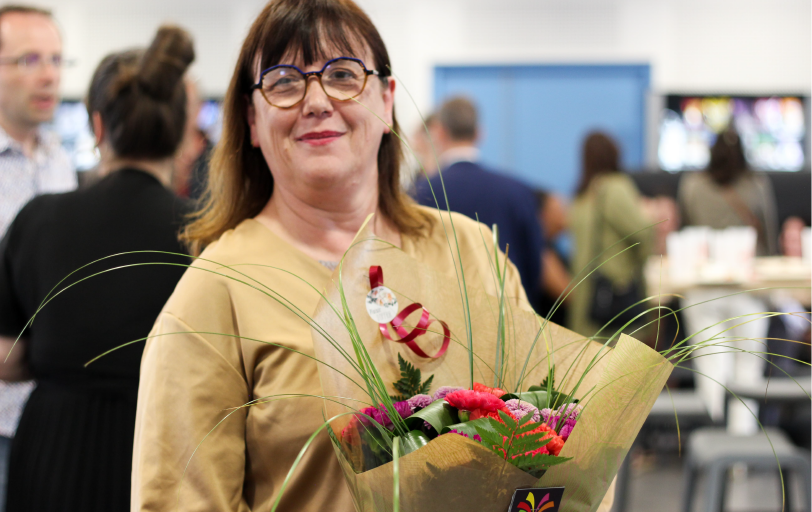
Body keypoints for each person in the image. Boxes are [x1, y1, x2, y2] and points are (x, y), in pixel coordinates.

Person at [130, 2, 620, 511]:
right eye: (283, 81)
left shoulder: (471, 250)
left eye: (343, 74)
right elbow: (179, 499)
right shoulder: (217, 290)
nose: (317, 100)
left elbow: (561, 442)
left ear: (387, 102)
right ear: (252, 120)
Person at [0, 26, 194, 511]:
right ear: (178, 129)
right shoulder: (202, 233)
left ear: (99, 127)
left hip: (51, 450)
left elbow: (6, 357)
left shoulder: (38, 217)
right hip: (160, 451)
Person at [0, 6, 76, 511]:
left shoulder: (62, 161)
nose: (49, 74)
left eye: (56, 59)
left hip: (54, 413)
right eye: (30, 59)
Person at [677, 127, 776, 434]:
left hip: (701, 290)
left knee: (711, 368)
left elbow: (685, 230)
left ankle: (713, 440)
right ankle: (740, 453)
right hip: (747, 288)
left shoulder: (692, 185)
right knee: (748, 369)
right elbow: (770, 237)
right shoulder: (756, 184)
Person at [412, 97, 545, 308]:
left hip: (443, 323)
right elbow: (533, 265)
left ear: (439, 132)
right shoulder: (519, 191)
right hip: (510, 318)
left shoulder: (422, 193)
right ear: (479, 133)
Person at [569, 131, 652, 339]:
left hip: (585, 298)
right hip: (614, 299)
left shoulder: (581, 194)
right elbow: (643, 233)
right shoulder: (615, 188)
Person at [533, 189, 571, 326]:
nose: (566, 213)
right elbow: (567, 293)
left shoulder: (552, 246)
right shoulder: (542, 251)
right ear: (543, 214)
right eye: (560, 208)